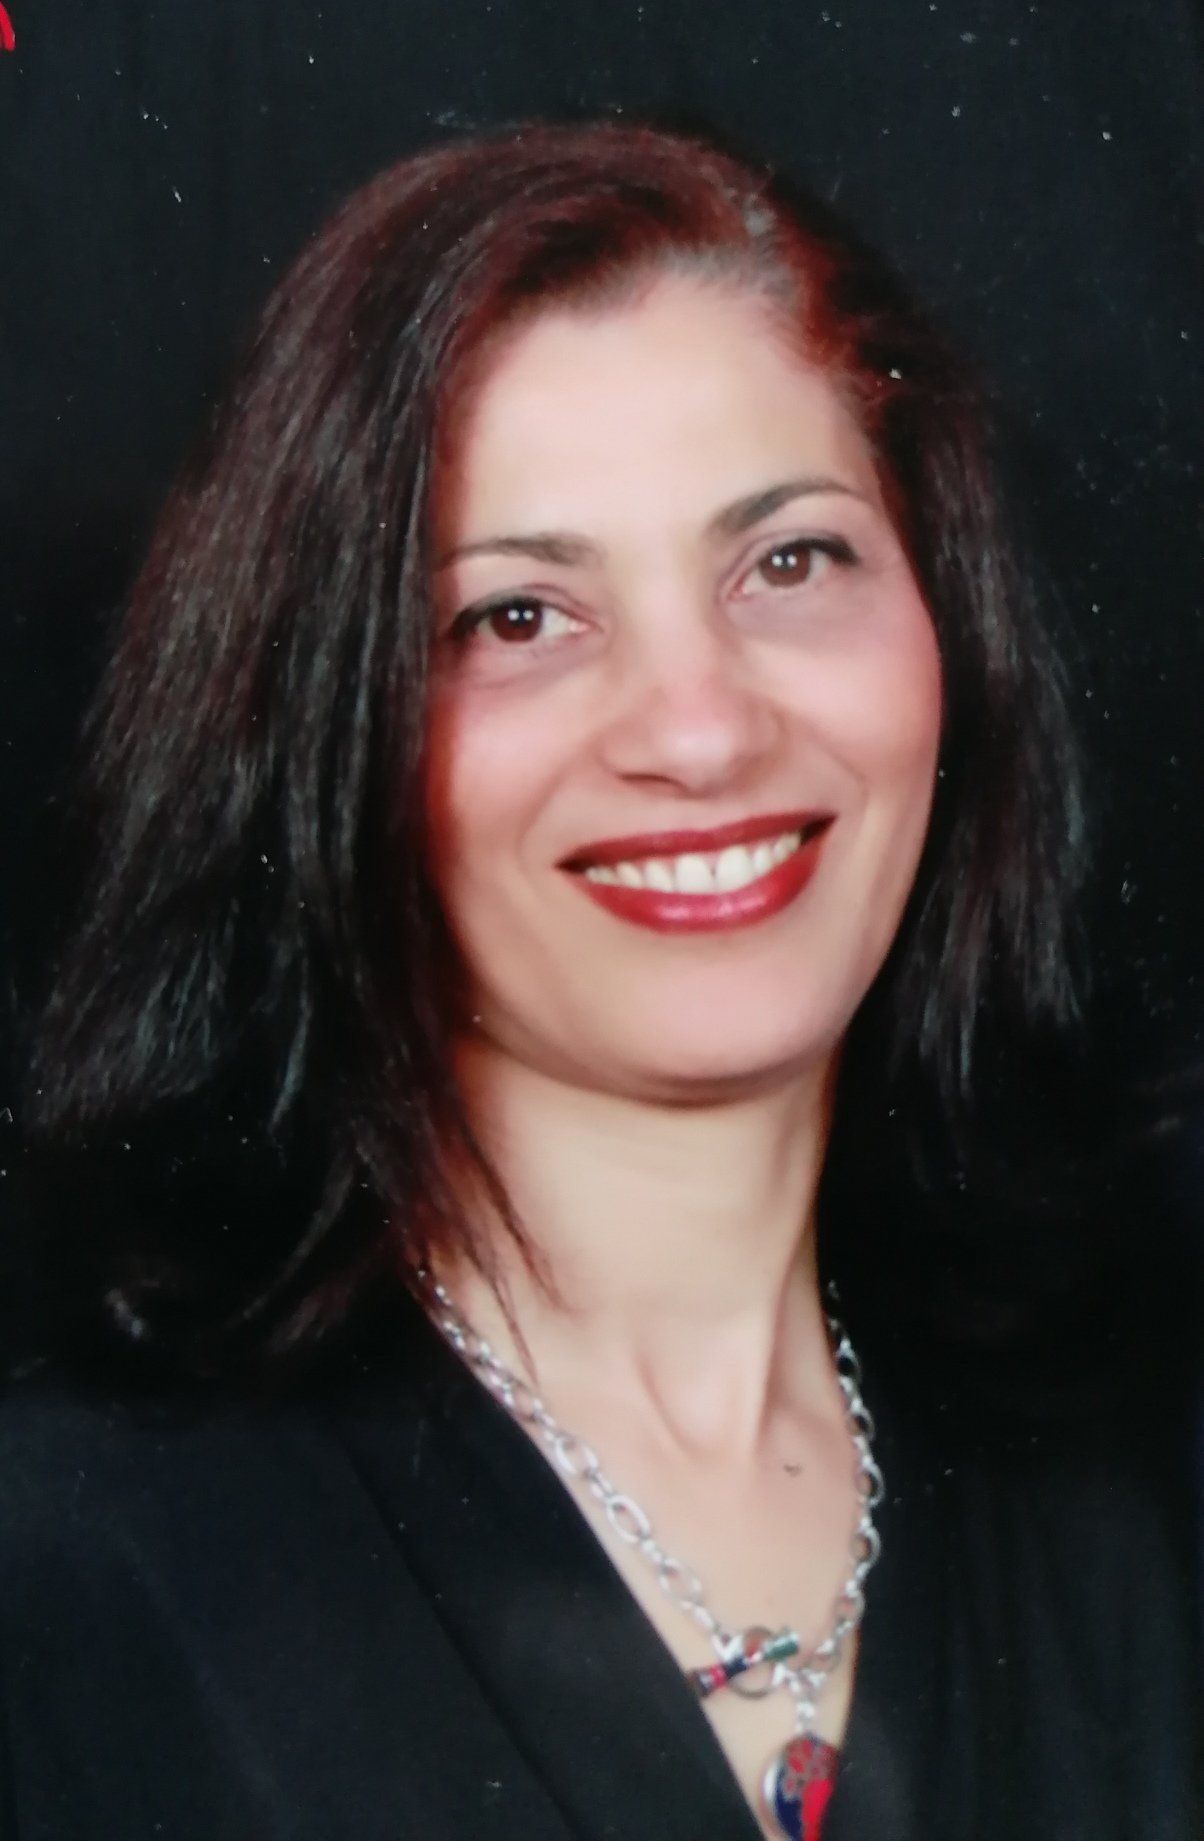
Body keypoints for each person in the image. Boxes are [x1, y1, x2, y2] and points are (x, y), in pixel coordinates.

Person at [1, 119, 1199, 1841]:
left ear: (950, 619)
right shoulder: (75, 1576)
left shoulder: (1147, 1436)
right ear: (322, 722)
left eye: (788, 560)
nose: (701, 730)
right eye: (517, 617)